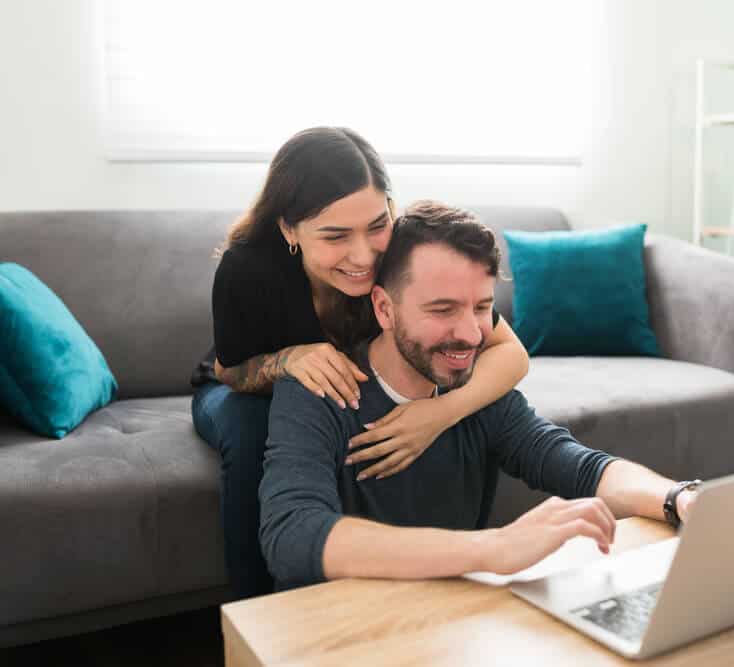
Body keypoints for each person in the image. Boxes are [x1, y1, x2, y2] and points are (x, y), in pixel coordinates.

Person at [258, 201, 699, 590]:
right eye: (443, 309)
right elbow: (293, 536)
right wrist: (493, 548)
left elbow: (579, 466)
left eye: (482, 307)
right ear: (384, 308)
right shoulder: (317, 390)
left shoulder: (473, 387)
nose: (470, 335)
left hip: (452, 623)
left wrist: (678, 498)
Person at [190, 129, 530, 598]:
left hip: (343, 393)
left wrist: (438, 415)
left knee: (462, 397)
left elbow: (510, 354)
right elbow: (230, 370)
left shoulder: (401, 252)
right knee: (253, 431)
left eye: (376, 225)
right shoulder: (247, 269)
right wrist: (289, 359)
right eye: (335, 236)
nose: (363, 255)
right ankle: (257, 609)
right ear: (289, 229)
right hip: (241, 386)